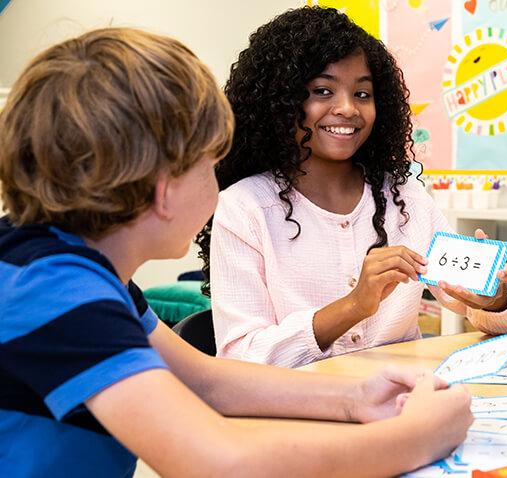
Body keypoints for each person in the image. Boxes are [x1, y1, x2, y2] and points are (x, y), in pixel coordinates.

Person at [0, 27, 472, 477]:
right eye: (211, 164)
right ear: (165, 188)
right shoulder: (56, 293)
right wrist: (419, 436)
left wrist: (355, 397)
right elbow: (220, 464)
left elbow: (205, 380)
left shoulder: (78, 271)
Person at [196, 6, 507, 368]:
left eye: (362, 94)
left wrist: (494, 297)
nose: (347, 109)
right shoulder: (243, 208)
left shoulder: (406, 198)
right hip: (300, 411)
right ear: (280, 101)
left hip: (402, 402)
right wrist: (352, 306)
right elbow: (241, 358)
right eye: (322, 91)